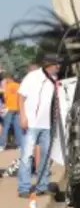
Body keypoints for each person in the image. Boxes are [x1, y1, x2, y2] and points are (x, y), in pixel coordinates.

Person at [17, 53, 60, 197]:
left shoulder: (54, 80)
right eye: (56, 64)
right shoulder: (32, 76)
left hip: (47, 125)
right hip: (31, 123)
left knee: (45, 157)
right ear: (49, 65)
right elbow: (21, 95)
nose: (58, 67)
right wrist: (22, 116)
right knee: (27, 156)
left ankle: (42, 185)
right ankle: (24, 187)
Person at [1, 72, 23, 150]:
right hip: (17, 108)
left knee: (5, 127)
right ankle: (19, 145)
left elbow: (4, 97)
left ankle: (2, 145)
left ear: (8, 79)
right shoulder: (18, 85)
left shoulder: (7, 86)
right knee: (17, 127)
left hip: (9, 108)